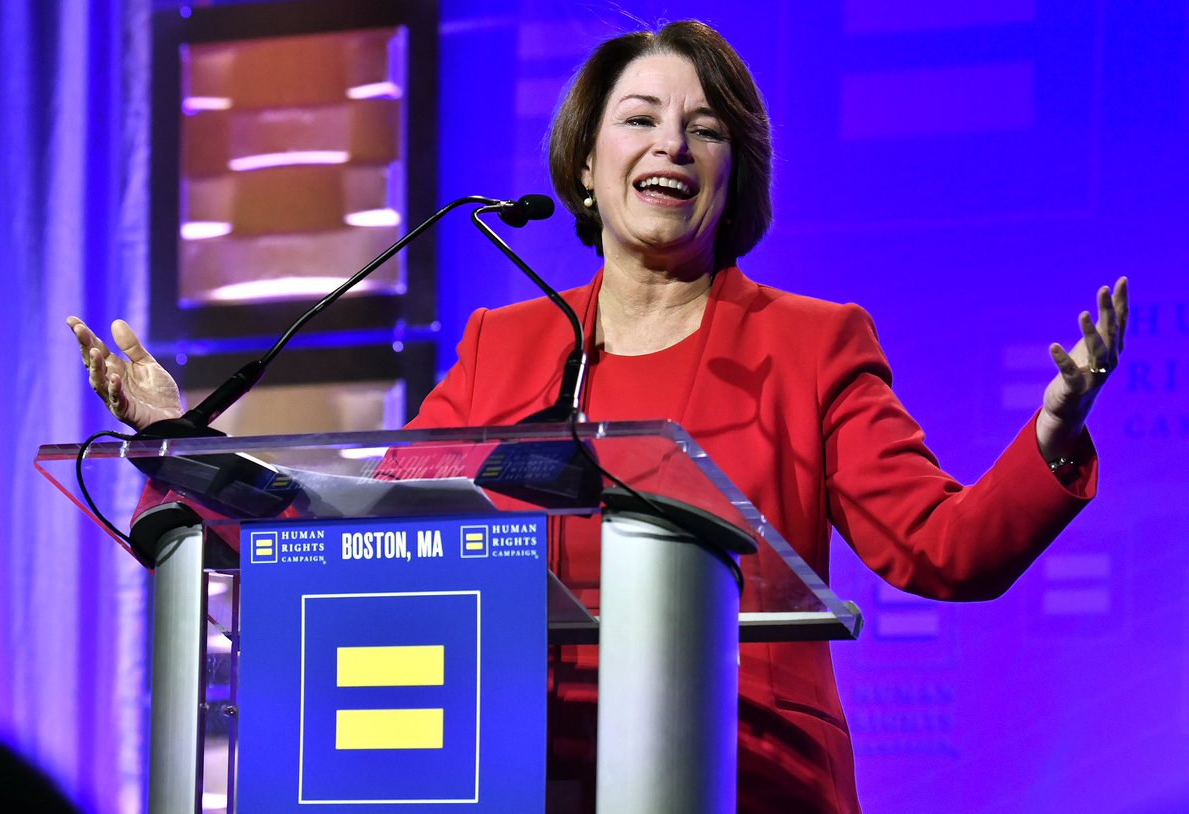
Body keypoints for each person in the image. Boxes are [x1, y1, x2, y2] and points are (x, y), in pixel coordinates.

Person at [68, 20, 1127, 814]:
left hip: (749, 770)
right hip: (513, 767)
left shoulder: (812, 343)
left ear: (732, 174)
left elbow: (941, 547)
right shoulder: (503, 346)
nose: (674, 144)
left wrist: (1051, 439)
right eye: (642, 118)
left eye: (705, 129)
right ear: (586, 163)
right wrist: (184, 448)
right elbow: (364, 538)